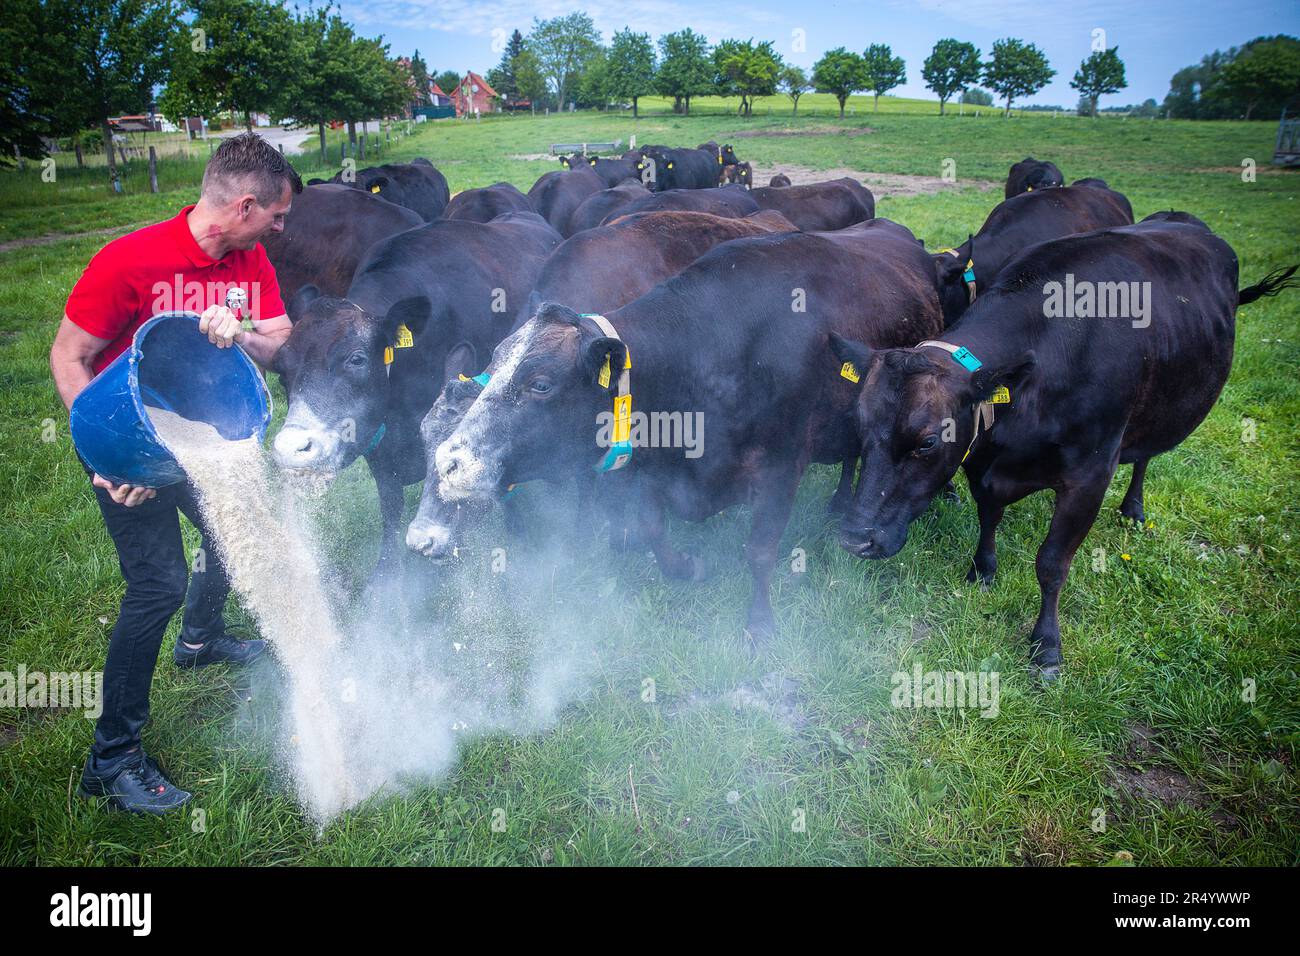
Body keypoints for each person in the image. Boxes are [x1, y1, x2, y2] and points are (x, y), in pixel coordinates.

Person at [48, 133, 302, 815]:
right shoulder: (129, 260)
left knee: (234, 528)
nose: (282, 229)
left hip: (201, 437)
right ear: (245, 204)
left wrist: (238, 329)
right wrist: (104, 451)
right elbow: (69, 356)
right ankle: (112, 759)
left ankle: (201, 638)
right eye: (275, 216)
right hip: (124, 438)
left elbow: (277, 346)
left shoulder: (251, 262)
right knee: (155, 583)